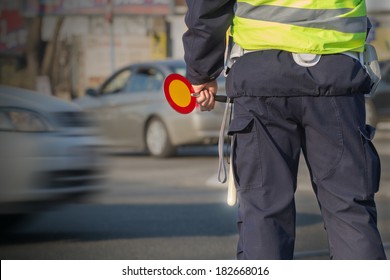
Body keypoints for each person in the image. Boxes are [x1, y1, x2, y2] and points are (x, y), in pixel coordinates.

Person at [182, 0, 387, 260]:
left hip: (260, 74)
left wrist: (202, 70)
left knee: (264, 212)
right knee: (350, 211)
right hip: (337, 73)